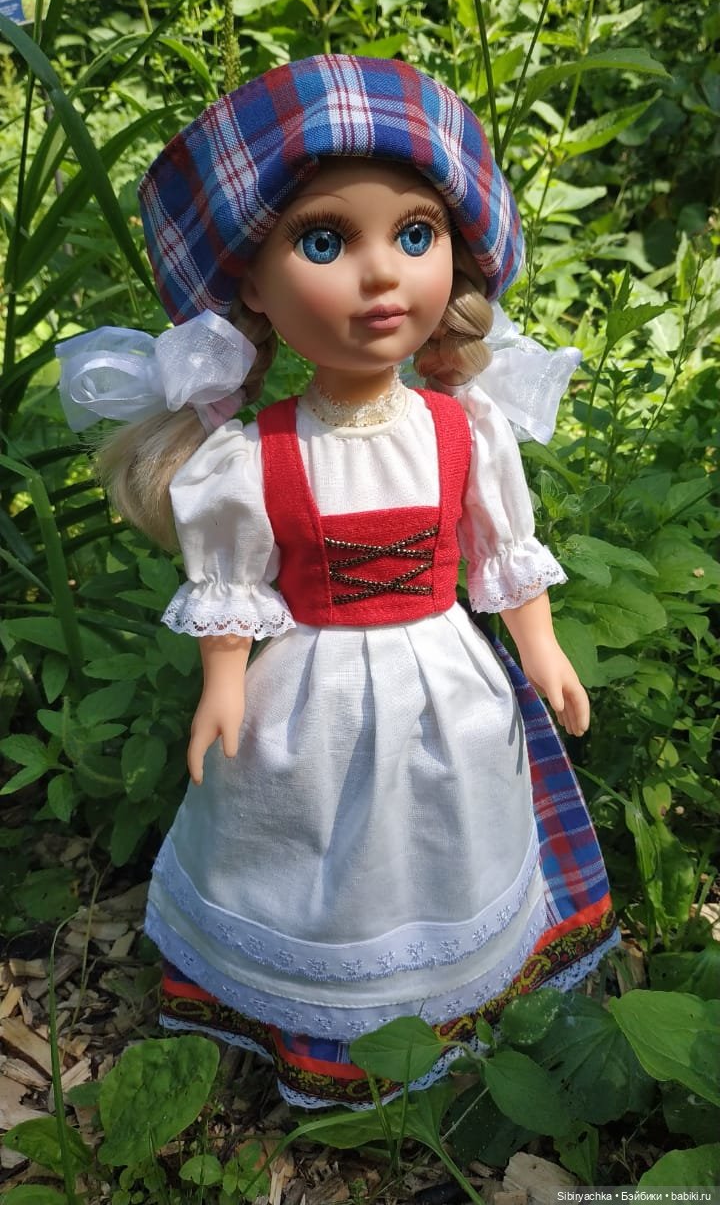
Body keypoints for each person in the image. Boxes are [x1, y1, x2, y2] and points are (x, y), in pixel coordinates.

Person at [57, 54, 618, 1110]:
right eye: (324, 241)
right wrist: (225, 678)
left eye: (416, 234)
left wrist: (540, 647)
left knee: (447, 835)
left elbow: (503, 551)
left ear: (456, 253)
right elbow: (232, 583)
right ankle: (317, 1024)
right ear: (252, 287)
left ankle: (441, 1008)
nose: (381, 276)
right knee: (307, 849)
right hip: (308, 688)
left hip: (444, 674)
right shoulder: (254, 453)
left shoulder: (464, 428)